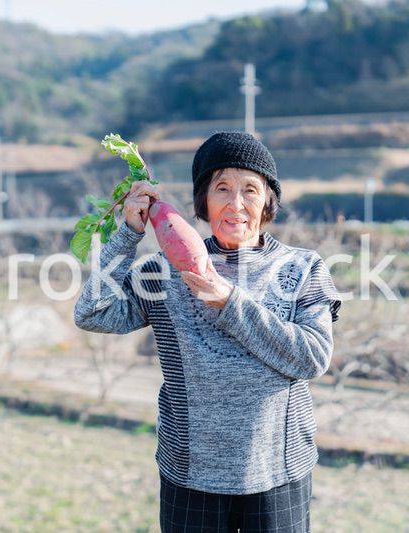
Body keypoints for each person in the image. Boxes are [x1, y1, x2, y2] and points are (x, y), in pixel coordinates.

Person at [74, 131, 341, 532]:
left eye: (250, 189)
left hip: (279, 474)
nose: (237, 204)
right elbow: (92, 312)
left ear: (268, 201)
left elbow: (313, 357)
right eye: (222, 189)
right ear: (202, 201)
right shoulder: (164, 272)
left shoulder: (303, 268)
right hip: (191, 475)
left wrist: (230, 303)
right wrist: (128, 234)